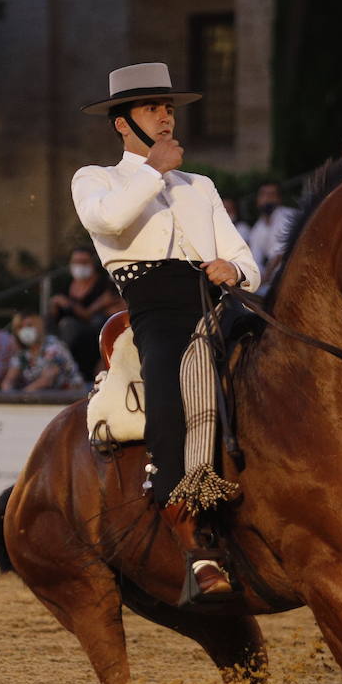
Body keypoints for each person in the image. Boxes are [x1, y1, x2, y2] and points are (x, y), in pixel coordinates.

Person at [73, 61, 260, 597]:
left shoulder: (200, 184)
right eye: (152, 107)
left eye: (169, 108)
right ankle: (190, 526)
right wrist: (153, 171)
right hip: (156, 306)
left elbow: (244, 255)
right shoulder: (95, 179)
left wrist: (236, 270)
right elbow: (108, 222)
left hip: (218, 297)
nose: (165, 116)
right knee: (172, 383)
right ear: (121, 122)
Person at [49, 247, 124, 375]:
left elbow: (89, 314)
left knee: (71, 325)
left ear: (93, 263)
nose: (80, 266)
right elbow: (54, 316)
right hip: (71, 337)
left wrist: (70, 304)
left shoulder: (105, 284)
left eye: (84, 262)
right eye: (76, 262)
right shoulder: (66, 285)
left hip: (95, 334)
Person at [0, 312, 84, 392]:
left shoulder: (53, 346)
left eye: (29, 325)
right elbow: (9, 380)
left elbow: (47, 380)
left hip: (70, 396)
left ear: (39, 326)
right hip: (40, 398)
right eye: (20, 327)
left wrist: (21, 397)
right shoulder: (22, 353)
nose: (25, 330)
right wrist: (7, 389)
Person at [246, 181, 296, 284]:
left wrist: (264, 278)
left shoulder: (288, 216)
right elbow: (255, 261)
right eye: (263, 194)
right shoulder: (257, 229)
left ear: (279, 199)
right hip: (273, 281)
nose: (267, 199)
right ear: (257, 200)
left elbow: (279, 254)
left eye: (271, 195)